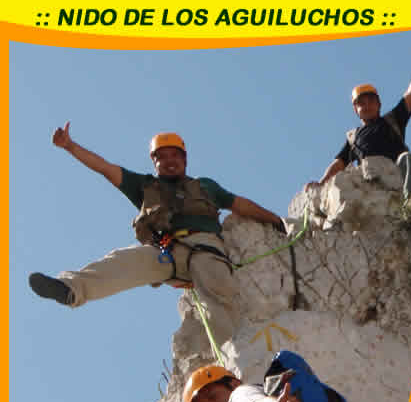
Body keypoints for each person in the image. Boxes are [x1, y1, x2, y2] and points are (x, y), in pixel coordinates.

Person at [29, 124, 285, 346]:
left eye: (175, 155)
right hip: (167, 250)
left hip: (205, 247)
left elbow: (240, 204)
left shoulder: (205, 186)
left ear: (185, 160)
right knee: (124, 260)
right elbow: (106, 169)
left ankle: (232, 356)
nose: (170, 160)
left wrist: (275, 220)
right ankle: (71, 289)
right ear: (154, 162)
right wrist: (70, 146)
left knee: (217, 289)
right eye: (162, 157)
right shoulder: (144, 186)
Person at [305, 40, 411, 200]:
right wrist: (321, 183)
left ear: (379, 104)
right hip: (370, 181)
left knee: (408, 159)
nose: (366, 106)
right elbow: (339, 164)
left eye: (371, 101)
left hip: (395, 173)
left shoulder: (393, 120)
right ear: (355, 109)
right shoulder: (353, 137)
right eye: (361, 103)